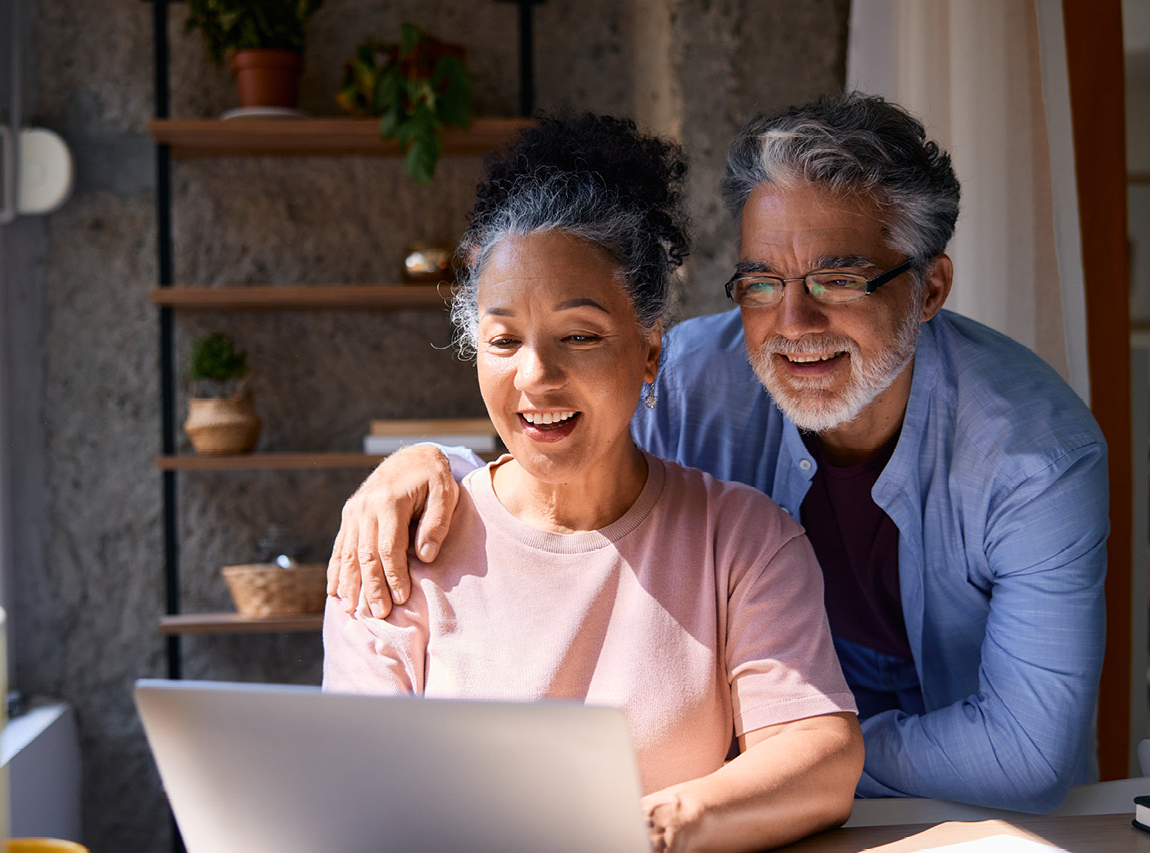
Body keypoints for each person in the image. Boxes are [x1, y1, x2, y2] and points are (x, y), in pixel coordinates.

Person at [328, 93, 1110, 814]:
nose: (793, 322)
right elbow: (564, 432)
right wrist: (435, 465)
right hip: (755, 814)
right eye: (761, 282)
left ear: (931, 288)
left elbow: (1025, 754)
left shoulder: (1037, 459)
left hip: (982, 826)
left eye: (836, 278)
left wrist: (801, 754)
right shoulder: (696, 375)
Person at [322, 113, 862, 853]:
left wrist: (676, 819)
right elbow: (348, 798)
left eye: (578, 336)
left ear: (649, 351)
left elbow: (819, 754)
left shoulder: (743, 540)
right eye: (504, 341)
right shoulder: (396, 544)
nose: (536, 377)